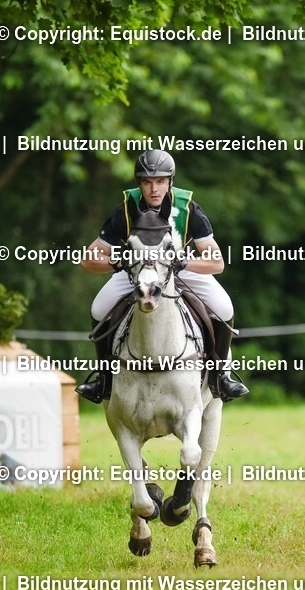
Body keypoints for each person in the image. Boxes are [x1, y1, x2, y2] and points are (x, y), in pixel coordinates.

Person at [75, 149, 250, 404]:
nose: (154, 189)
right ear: (140, 184)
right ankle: (105, 378)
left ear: (170, 182)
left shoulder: (187, 207)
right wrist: (118, 262)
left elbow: (217, 262)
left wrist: (183, 261)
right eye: (147, 182)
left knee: (224, 307)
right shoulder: (128, 208)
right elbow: (88, 259)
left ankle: (219, 375)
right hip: (138, 272)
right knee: (98, 308)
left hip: (179, 269)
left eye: (160, 181)